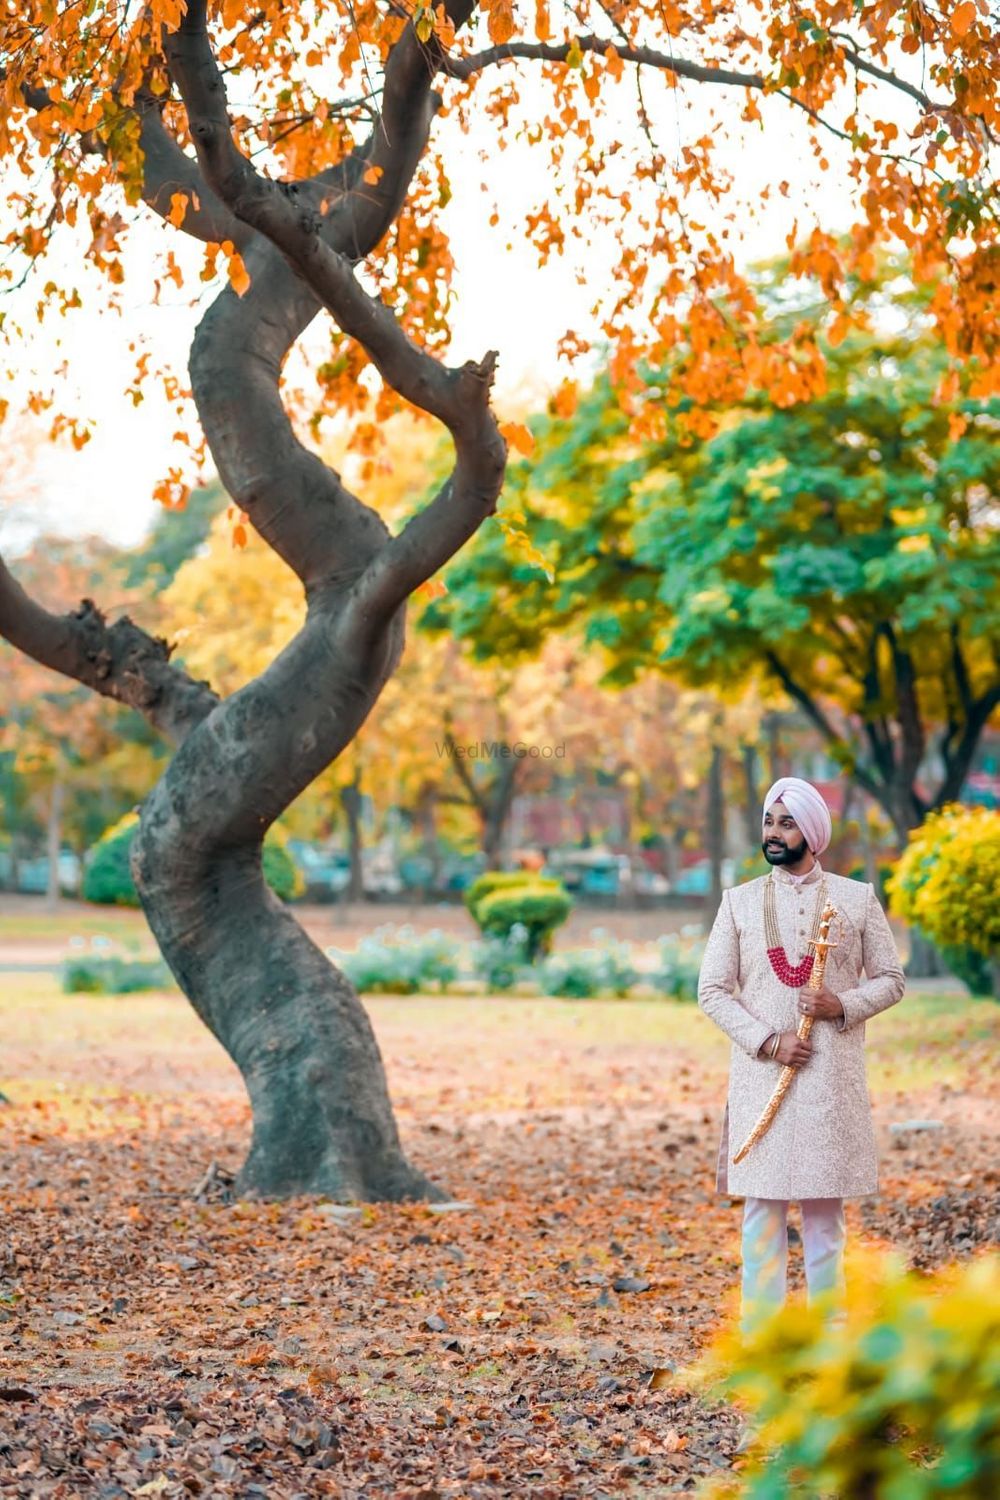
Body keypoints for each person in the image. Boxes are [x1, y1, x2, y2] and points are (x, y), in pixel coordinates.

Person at [697, 776, 904, 1330]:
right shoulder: (738, 903)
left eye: (787, 823)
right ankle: (762, 1343)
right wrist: (768, 1040)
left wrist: (841, 1003)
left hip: (827, 1083)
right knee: (761, 1217)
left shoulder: (856, 899)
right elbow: (712, 990)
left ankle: (829, 1345)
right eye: (770, 821)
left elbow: (891, 979)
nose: (774, 832)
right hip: (763, 1080)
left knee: (823, 1221)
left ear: (812, 832)